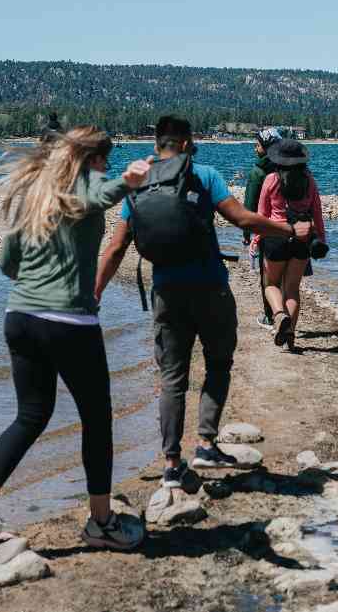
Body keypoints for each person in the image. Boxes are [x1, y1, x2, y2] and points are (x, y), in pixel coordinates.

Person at [0, 126, 152, 550]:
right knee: (97, 420)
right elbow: (101, 196)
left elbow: (8, 263)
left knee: (30, 416)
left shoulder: (35, 192)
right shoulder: (93, 180)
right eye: (107, 160)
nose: (108, 168)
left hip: (19, 316)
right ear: (94, 158)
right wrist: (128, 181)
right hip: (68, 323)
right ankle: (101, 523)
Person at [95, 115, 310, 489]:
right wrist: (290, 229)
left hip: (165, 293)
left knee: (172, 379)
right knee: (218, 364)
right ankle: (207, 444)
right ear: (187, 142)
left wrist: (94, 294)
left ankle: (171, 464)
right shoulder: (205, 175)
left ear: (157, 142)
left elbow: (115, 248)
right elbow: (243, 219)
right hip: (210, 287)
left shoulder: (138, 183)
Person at [250, 139, 326, 352]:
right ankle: (290, 335)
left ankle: (279, 315)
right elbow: (317, 215)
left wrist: (256, 239)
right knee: (292, 290)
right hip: (302, 237)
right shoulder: (310, 181)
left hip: (275, 237)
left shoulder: (271, 180)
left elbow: (262, 215)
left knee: (271, 284)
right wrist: (321, 240)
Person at [243, 128, 282, 329]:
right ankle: (284, 313)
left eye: (257, 145)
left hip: (265, 229)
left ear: (266, 148)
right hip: (289, 228)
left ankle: (270, 316)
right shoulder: (288, 168)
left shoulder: (257, 172)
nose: (254, 148)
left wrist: (246, 233)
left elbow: (249, 205)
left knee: (266, 276)